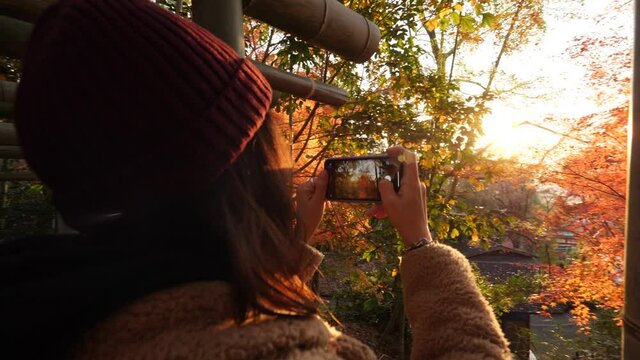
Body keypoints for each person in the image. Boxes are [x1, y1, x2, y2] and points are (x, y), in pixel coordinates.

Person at [0, 0, 511, 359]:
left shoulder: (63, 300)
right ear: (233, 170)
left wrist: (288, 243)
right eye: (265, 130)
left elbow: (214, 299)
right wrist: (422, 245)